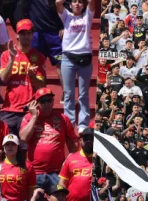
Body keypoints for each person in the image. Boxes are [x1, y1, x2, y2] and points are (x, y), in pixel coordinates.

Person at [55, 0, 95, 129]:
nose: (77, 4)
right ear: (70, 4)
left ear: (84, 5)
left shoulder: (87, 16)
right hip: (68, 58)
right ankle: (69, 124)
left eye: (80, 2)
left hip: (84, 58)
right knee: (68, 94)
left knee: (83, 94)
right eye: (74, 1)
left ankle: (83, 124)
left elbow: (92, 2)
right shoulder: (66, 16)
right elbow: (58, 3)